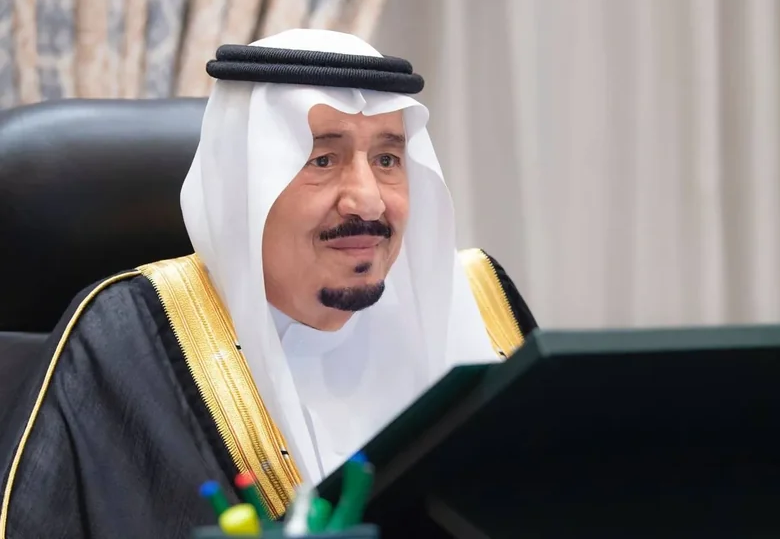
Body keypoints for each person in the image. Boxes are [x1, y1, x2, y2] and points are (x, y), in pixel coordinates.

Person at [0, 29, 537, 538]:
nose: (369, 200)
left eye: (387, 159)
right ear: (246, 186)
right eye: (322, 159)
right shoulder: (133, 339)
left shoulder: (479, 310)